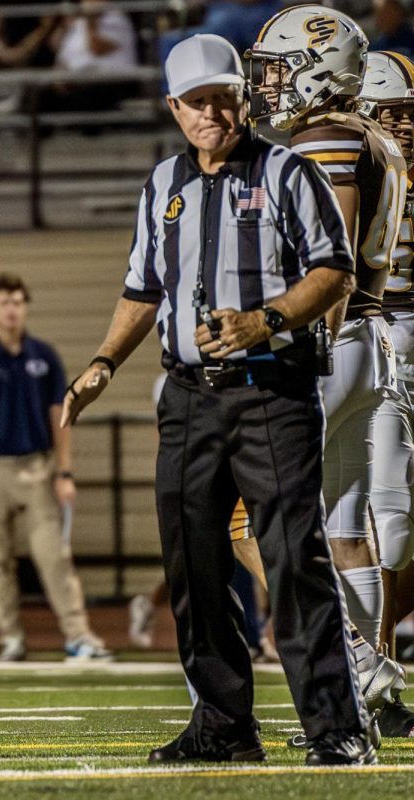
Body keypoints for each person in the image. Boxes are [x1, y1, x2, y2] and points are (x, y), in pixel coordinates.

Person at [63, 34, 373, 765]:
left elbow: (335, 271)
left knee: (295, 562)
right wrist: (104, 360)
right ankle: (224, 726)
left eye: (224, 98)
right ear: (172, 108)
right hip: (188, 399)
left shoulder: (287, 170)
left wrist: (263, 319)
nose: (214, 113)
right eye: (197, 102)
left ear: (245, 96)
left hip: (273, 392)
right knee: (193, 568)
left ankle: (337, 728)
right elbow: (143, 290)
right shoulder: (162, 184)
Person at [249, 5, 404, 655]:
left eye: (279, 69)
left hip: (335, 344)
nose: (267, 84)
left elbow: (329, 260)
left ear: (316, 69)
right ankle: (376, 688)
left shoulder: (326, 138)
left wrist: (297, 337)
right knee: (345, 527)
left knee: (249, 516)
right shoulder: (378, 138)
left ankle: (356, 659)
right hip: (373, 342)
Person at [0, 273, 110, 663]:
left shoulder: (44, 356)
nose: (12, 310)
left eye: (19, 302)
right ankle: (11, 637)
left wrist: (65, 472)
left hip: (39, 467)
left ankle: (78, 634)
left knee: (53, 554)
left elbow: (61, 416)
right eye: (5, 302)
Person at [354, 49, 414, 738]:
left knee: (390, 529)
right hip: (369, 341)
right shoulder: (348, 168)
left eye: (409, 110)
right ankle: (366, 662)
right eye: (388, 110)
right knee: (381, 521)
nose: (401, 121)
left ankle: (368, 661)